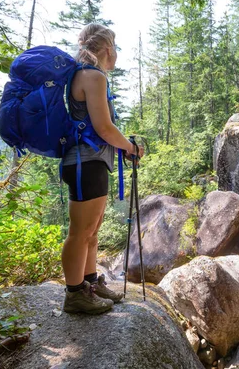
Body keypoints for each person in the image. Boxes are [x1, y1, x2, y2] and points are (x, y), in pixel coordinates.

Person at [60, 23, 143, 314]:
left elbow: (102, 129)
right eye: (116, 47)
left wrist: (124, 146)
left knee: (91, 232)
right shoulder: (93, 76)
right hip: (85, 163)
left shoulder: (85, 75)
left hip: (90, 162)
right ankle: (74, 294)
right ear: (107, 49)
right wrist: (130, 148)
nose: (117, 53)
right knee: (80, 232)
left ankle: (89, 283)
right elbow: (104, 128)